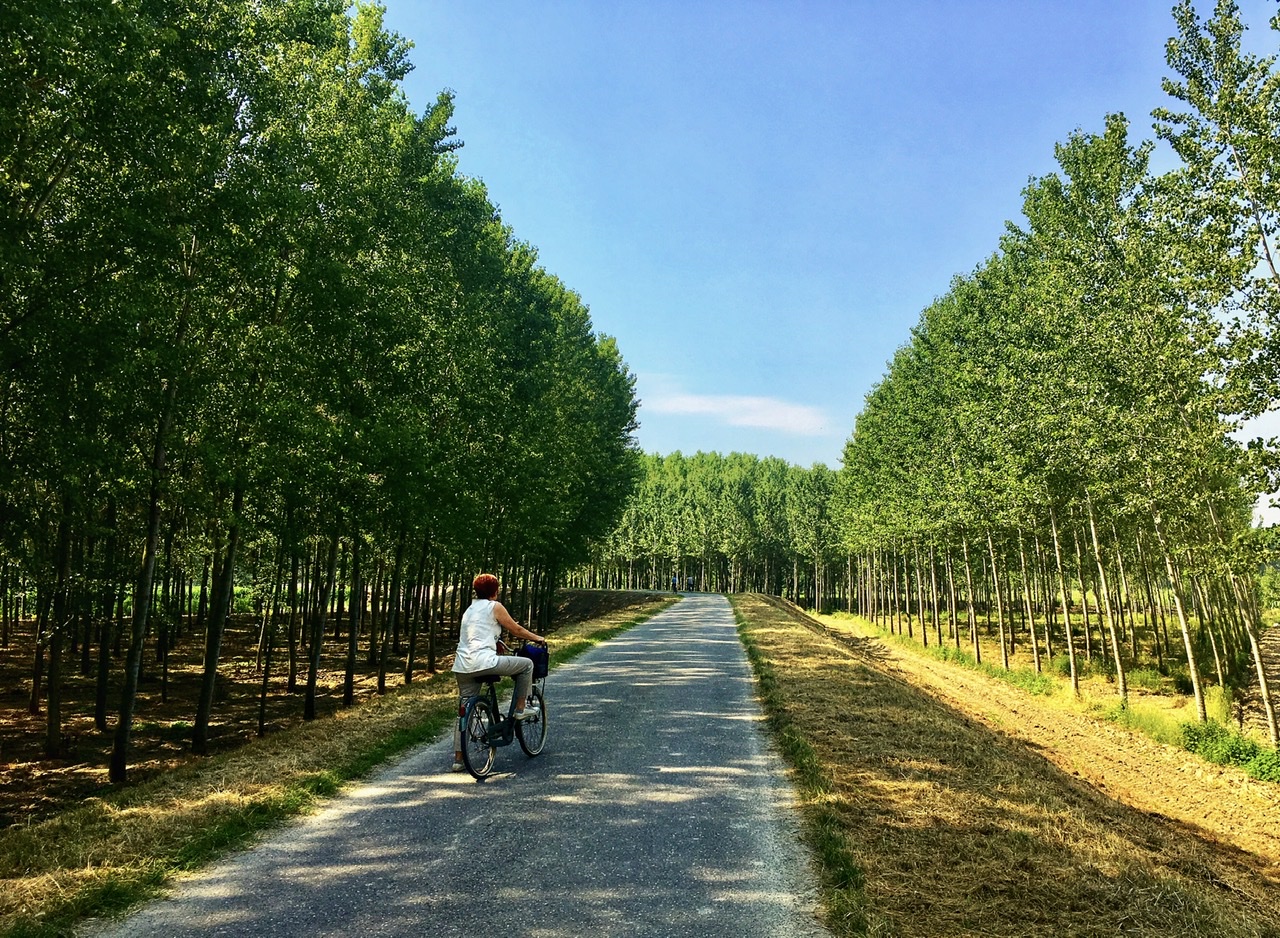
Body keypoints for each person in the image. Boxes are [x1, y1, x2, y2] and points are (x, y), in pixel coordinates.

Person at [451, 573, 547, 771]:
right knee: (526, 665)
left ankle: (458, 760)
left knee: (464, 708)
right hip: (484, 662)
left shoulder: (469, 609)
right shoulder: (494, 606)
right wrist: (537, 638)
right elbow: (517, 630)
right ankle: (521, 708)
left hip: (462, 666)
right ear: (495, 591)